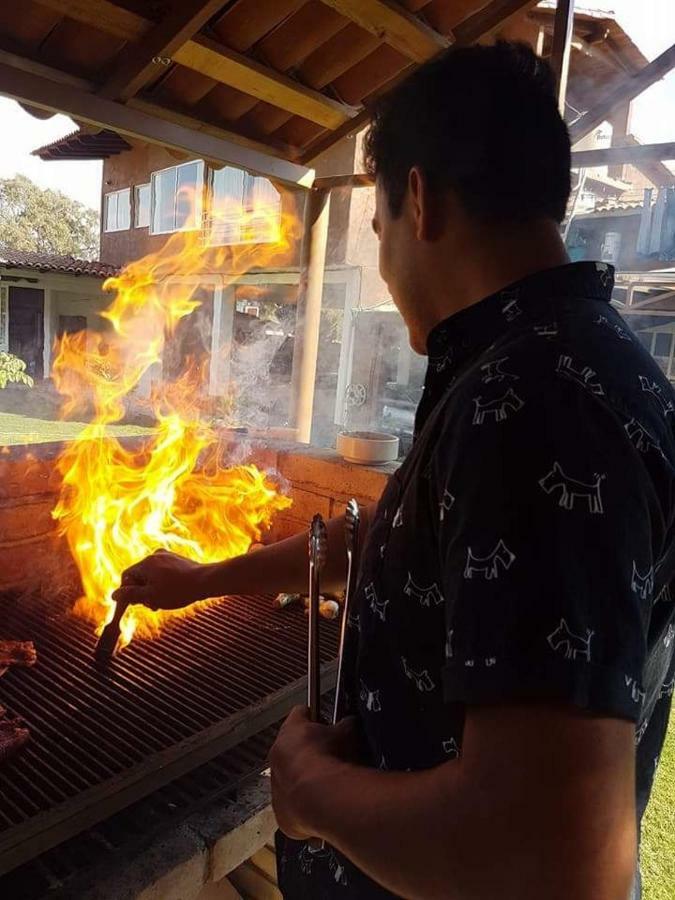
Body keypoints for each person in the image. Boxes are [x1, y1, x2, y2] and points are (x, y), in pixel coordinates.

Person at [114, 43, 675, 900]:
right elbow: (420, 543)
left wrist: (311, 795)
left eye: (374, 229)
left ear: (416, 200)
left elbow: (554, 864)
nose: (380, 261)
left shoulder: (531, 403)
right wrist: (202, 578)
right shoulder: (564, 363)